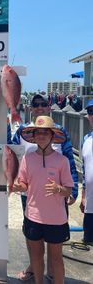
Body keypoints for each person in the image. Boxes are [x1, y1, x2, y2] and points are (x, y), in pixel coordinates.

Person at [12, 94, 78, 281]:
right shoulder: (21, 132)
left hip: (55, 199)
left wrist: (71, 191)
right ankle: (34, 269)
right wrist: (12, 183)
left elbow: (70, 162)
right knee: (33, 243)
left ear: (49, 107)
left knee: (55, 253)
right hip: (30, 192)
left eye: (43, 104)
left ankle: (52, 274)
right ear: (30, 108)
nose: (39, 107)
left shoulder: (61, 136)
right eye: (35, 104)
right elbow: (11, 155)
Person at [79, 99, 93, 245]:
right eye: (90, 112)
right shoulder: (86, 139)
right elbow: (84, 170)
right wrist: (83, 196)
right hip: (90, 204)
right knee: (88, 242)